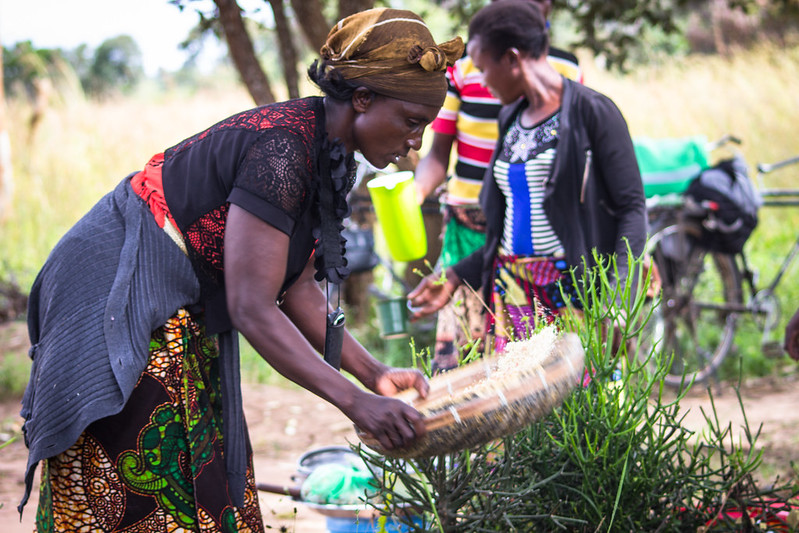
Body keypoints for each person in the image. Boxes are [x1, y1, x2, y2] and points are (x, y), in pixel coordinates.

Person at [18, 8, 463, 531]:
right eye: (411, 123)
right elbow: (252, 307)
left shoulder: (330, 155)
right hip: (120, 294)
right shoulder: (283, 148)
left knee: (200, 472)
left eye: (424, 128)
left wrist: (375, 374)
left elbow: (295, 287)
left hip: (179, 304)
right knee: (141, 477)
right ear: (362, 99)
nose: (416, 142)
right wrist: (355, 402)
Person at [408, 0, 646, 354]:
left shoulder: (593, 112)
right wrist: (455, 275)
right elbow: (509, 233)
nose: (484, 82)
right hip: (515, 294)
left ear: (512, 59)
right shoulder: (512, 118)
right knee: (519, 405)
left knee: (578, 403)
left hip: (574, 292)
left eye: (485, 68)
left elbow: (631, 208)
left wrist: (616, 299)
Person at [413, 0, 582, 372]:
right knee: (465, 360)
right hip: (470, 231)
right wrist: (415, 194)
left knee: (527, 361)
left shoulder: (565, 69)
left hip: (536, 240)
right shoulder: (466, 68)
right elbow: (439, 153)